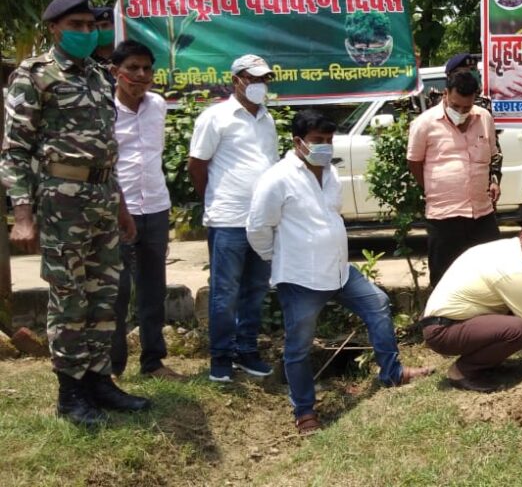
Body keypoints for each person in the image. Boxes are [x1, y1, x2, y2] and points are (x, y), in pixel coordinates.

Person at [1, 0, 150, 426]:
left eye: (91, 26)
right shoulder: (35, 76)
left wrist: (120, 205)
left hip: (103, 199)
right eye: (76, 26)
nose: (86, 33)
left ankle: (99, 381)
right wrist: (22, 213)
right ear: (54, 29)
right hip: (61, 200)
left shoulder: (100, 77)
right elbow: (14, 150)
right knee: (69, 297)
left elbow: (107, 150)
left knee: (104, 295)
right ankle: (71, 394)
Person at [247, 109, 433, 434]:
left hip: (339, 271)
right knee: (299, 345)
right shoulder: (276, 178)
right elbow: (258, 228)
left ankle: (392, 372)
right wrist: (278, 258)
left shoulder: (329, 173)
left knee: (376, 304)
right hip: (300, 278)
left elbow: (332, 214)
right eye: (318, 141)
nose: (326, 147)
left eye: (329, 141)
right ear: (298, 142)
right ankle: (305, 412)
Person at [420, 212, 522, 392]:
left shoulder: (507, 250)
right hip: (442, 330)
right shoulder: (513, 270)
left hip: (449, 321)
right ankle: (461, 371)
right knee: (519, 329)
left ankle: (486, 365)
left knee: (516, 318)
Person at [188, 54, 278, 382]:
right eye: (253, 78)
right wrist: (213, 200)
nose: (259, 85)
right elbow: (196, 166)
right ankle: (221, 357)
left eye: (264, 79)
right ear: (236, 80)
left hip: (262, 220)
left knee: (255, 289)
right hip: (228, 219)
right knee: (224, 293)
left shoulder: (267, 119)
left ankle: (247, 351)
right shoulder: (215, 117)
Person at [108, 40, 185, 381]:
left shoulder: (157, 105)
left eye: (147, 69)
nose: (141, 75)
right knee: (117, 290)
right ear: (116, 72)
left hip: (155, 206)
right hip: (115, 211)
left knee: (153, 288)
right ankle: (113, 367)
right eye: (133, 68)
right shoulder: (103, 110)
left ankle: (153, 362)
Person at [407, 53, 502, 287]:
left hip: (481, 214)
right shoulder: (424, 124)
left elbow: (493, 156)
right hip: (444, 217)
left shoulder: (485, 118)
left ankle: (485, 323)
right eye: (456, 105)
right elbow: (414, 162)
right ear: (446, 93)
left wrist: (494, 181)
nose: (461, 111)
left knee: (491, 276)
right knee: (444, 282)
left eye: (467, 107)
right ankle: (440, 324)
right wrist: (435, 188)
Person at [90, 6, 116, 70]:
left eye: (105, 25)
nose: (100, 31)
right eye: (95, 27)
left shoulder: (126, 54)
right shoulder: (86, 57)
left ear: (114, 26)